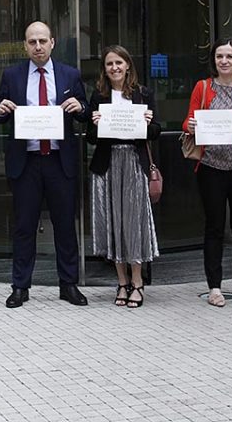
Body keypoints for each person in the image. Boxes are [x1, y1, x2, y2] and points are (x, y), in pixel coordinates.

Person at [0, 21, 90, 308]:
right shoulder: (12, 74)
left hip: (60, 161)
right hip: (27, 162)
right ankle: (20, 286)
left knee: (65, 226)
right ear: (25, 45)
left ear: (52, 43)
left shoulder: (70, 74)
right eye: (32, 42)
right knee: (24, 226)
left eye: (42, 41)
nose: (37, 46)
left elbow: (85, 111)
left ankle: (68, 284)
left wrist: (80, 107)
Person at [183, 37, 232, 308]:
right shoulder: (203, 87)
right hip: (211, 168)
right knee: (214, 228)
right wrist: (191, 125)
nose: (224, 61)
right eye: (219, 57)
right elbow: (188, 120)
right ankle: (214, 287)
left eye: (229, 56)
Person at [88, 45, 160, 308]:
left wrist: (150, 122)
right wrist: (94, 123)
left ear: (128, 65)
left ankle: (138, 282)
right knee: (114, 223)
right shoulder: (98, 96)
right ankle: (121, 282)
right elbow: (91, 139)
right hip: (108, 165)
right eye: (109, 64)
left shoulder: (143, 94)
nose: (115, 68)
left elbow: (156, 132)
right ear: (105, 70)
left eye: (119, 62)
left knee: (133, 223)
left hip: (133, 163)